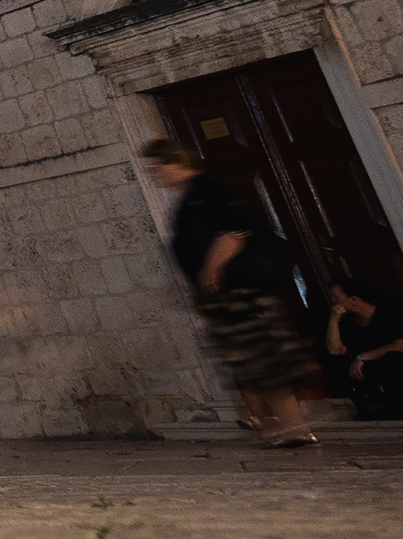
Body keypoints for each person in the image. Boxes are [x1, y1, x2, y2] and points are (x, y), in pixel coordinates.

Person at [140, 139, 319, 447]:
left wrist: (211, 270)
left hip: (239, 292)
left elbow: (232, 233)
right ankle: (275, 425)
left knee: (265, 357)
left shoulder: (207, 192)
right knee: (248, 361)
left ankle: (294, 426)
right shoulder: (191, 197)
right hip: (226, 295)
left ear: (177, 162)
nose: (155, 175)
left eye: (158, 167)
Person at [324, 280, 403, 419]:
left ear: (353, 299)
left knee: (393, 359)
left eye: (335, 296)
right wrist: (333, 319)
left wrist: (362, 357)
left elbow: (399, 345)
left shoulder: (389, 314)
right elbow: (335, 350)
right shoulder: (347, 323)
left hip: (392, 367)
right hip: (366, 374)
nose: (333, 301)